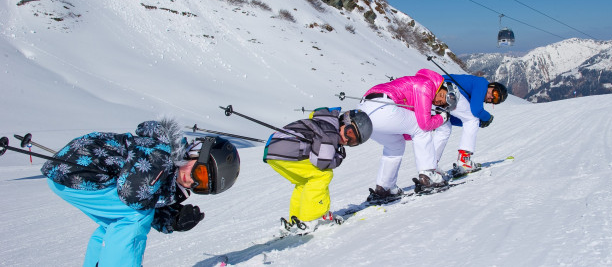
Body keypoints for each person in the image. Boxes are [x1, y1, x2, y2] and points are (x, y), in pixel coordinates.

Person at [40, 118, 240, 267]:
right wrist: (170, 211)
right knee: (134, 217)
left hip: (69, 175)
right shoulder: (160, 155)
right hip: (78, 172)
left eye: (202, 186)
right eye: (201, 172)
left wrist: (172, 219)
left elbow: (140, 194)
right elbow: (134, 197)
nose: (193, 181)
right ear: (196, 151)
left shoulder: (166, 164)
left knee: (115, 222)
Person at [263, 107, 372, 231]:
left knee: (304, 182)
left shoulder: (325, 123)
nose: (347, 139)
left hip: (274, 151)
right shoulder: (330, 131)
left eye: (353, 141)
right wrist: (338, 157)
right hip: (288, 150)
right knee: (323, 175)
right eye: (350, 133)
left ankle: (296, 218)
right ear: (344, 122)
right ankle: (311, 218)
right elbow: (322, 162)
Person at [357, 68, 457, 201]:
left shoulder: (421, 87)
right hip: (383, 106)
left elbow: (405, 131)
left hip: (365, 112)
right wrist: (442, 118)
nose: (440, 101)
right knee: (422, 129)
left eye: (444, 105)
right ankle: (428, 175)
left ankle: (385, 187)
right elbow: (424, 125)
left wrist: (430, 124)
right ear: (444, 87)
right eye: (445, 96)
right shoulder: (427, 84)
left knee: (395, 144)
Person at [433, 75, 508, 175]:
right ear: (492, 85)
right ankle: (464, 161)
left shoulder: (467, 99)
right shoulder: (482, 83)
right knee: (473, 119)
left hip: (433, 92)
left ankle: (430, 166)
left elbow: (455, 119)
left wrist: (479, 123)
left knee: (445, 126)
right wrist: (487, 117)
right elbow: (476, 110)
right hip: (447, 90)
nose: (491, 97)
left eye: (494, 100)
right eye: (494, 92)